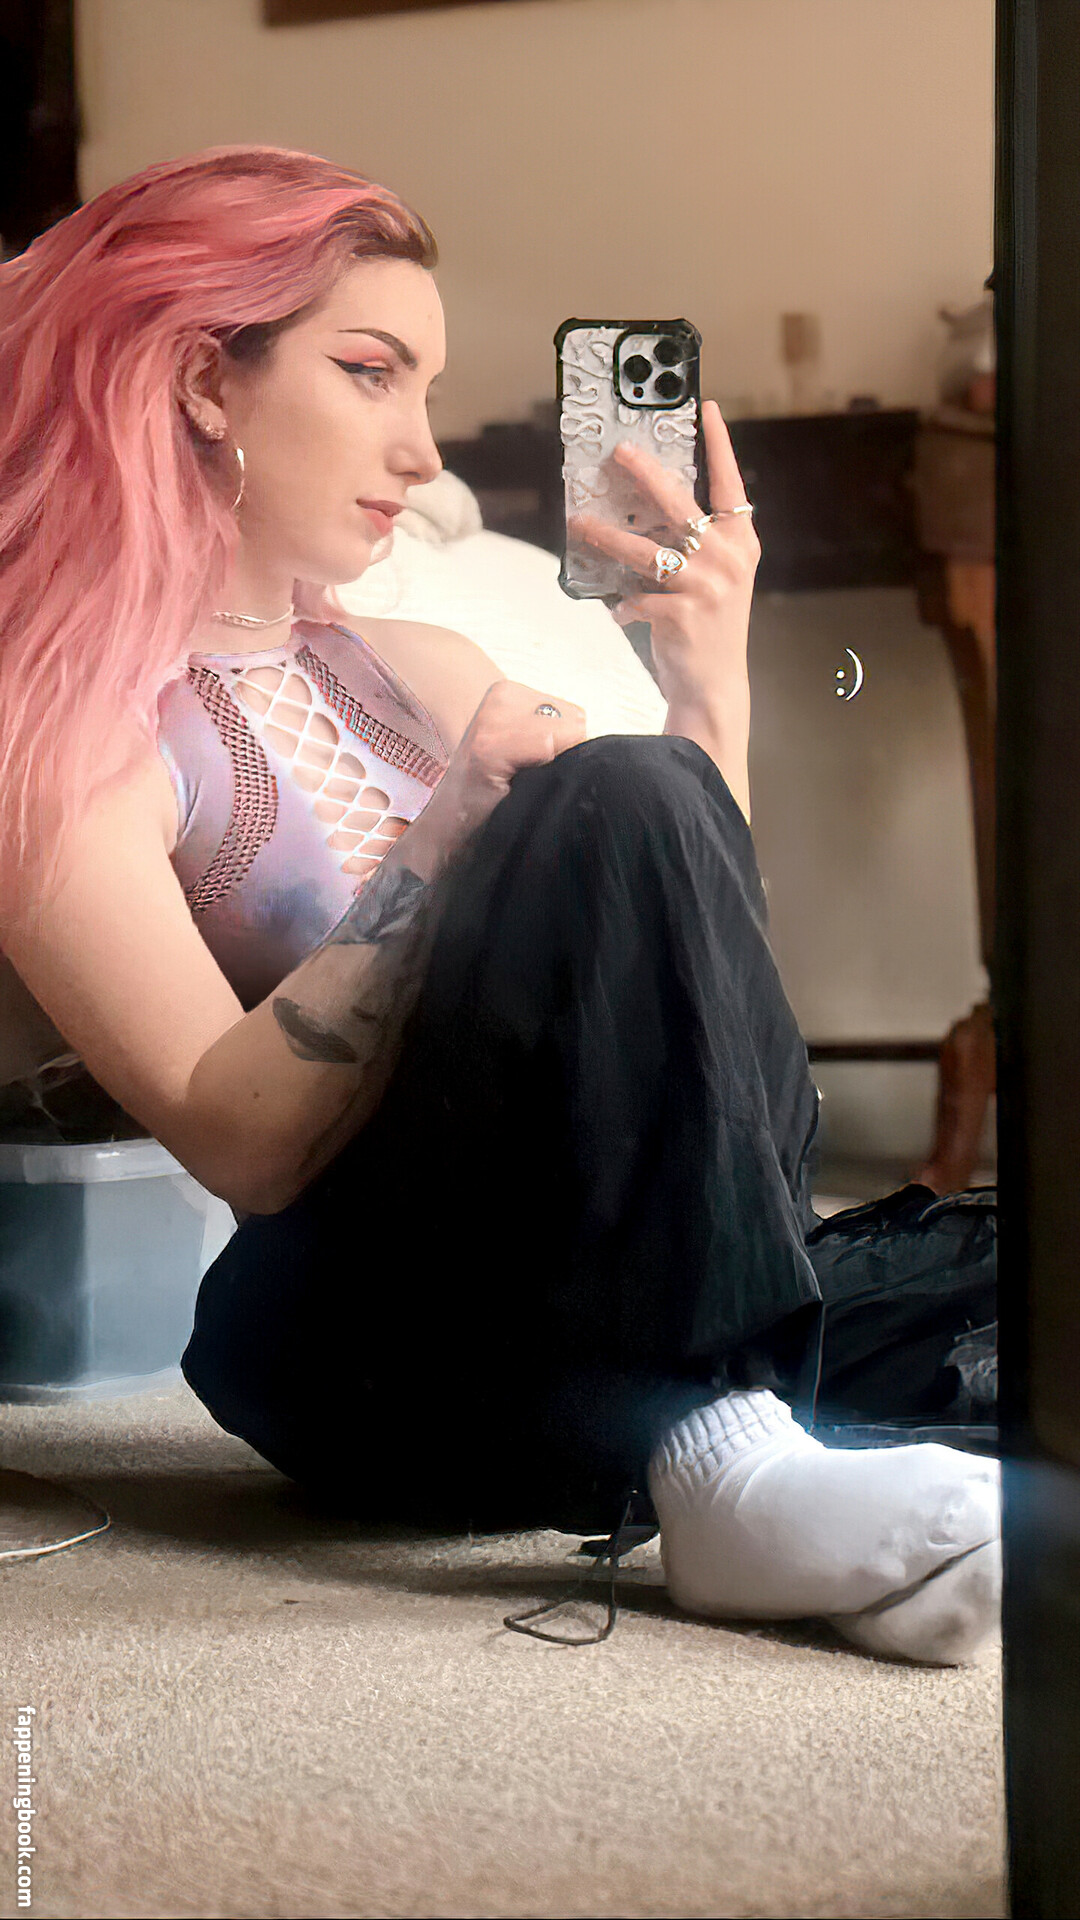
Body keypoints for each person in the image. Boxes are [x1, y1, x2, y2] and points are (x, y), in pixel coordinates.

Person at [0, 147, 999, 1666]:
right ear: (203, 378)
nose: (421, 451)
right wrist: (450, 826)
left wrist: (706, 685)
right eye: (370, 373)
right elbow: (238, 1140)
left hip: (618, 1294)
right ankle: (727, 1458)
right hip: (378, 1347)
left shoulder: (426, 668)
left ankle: (747, 1447)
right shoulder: (63, 731)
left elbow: (704, 1034)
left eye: (428, 388)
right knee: (613, 791)